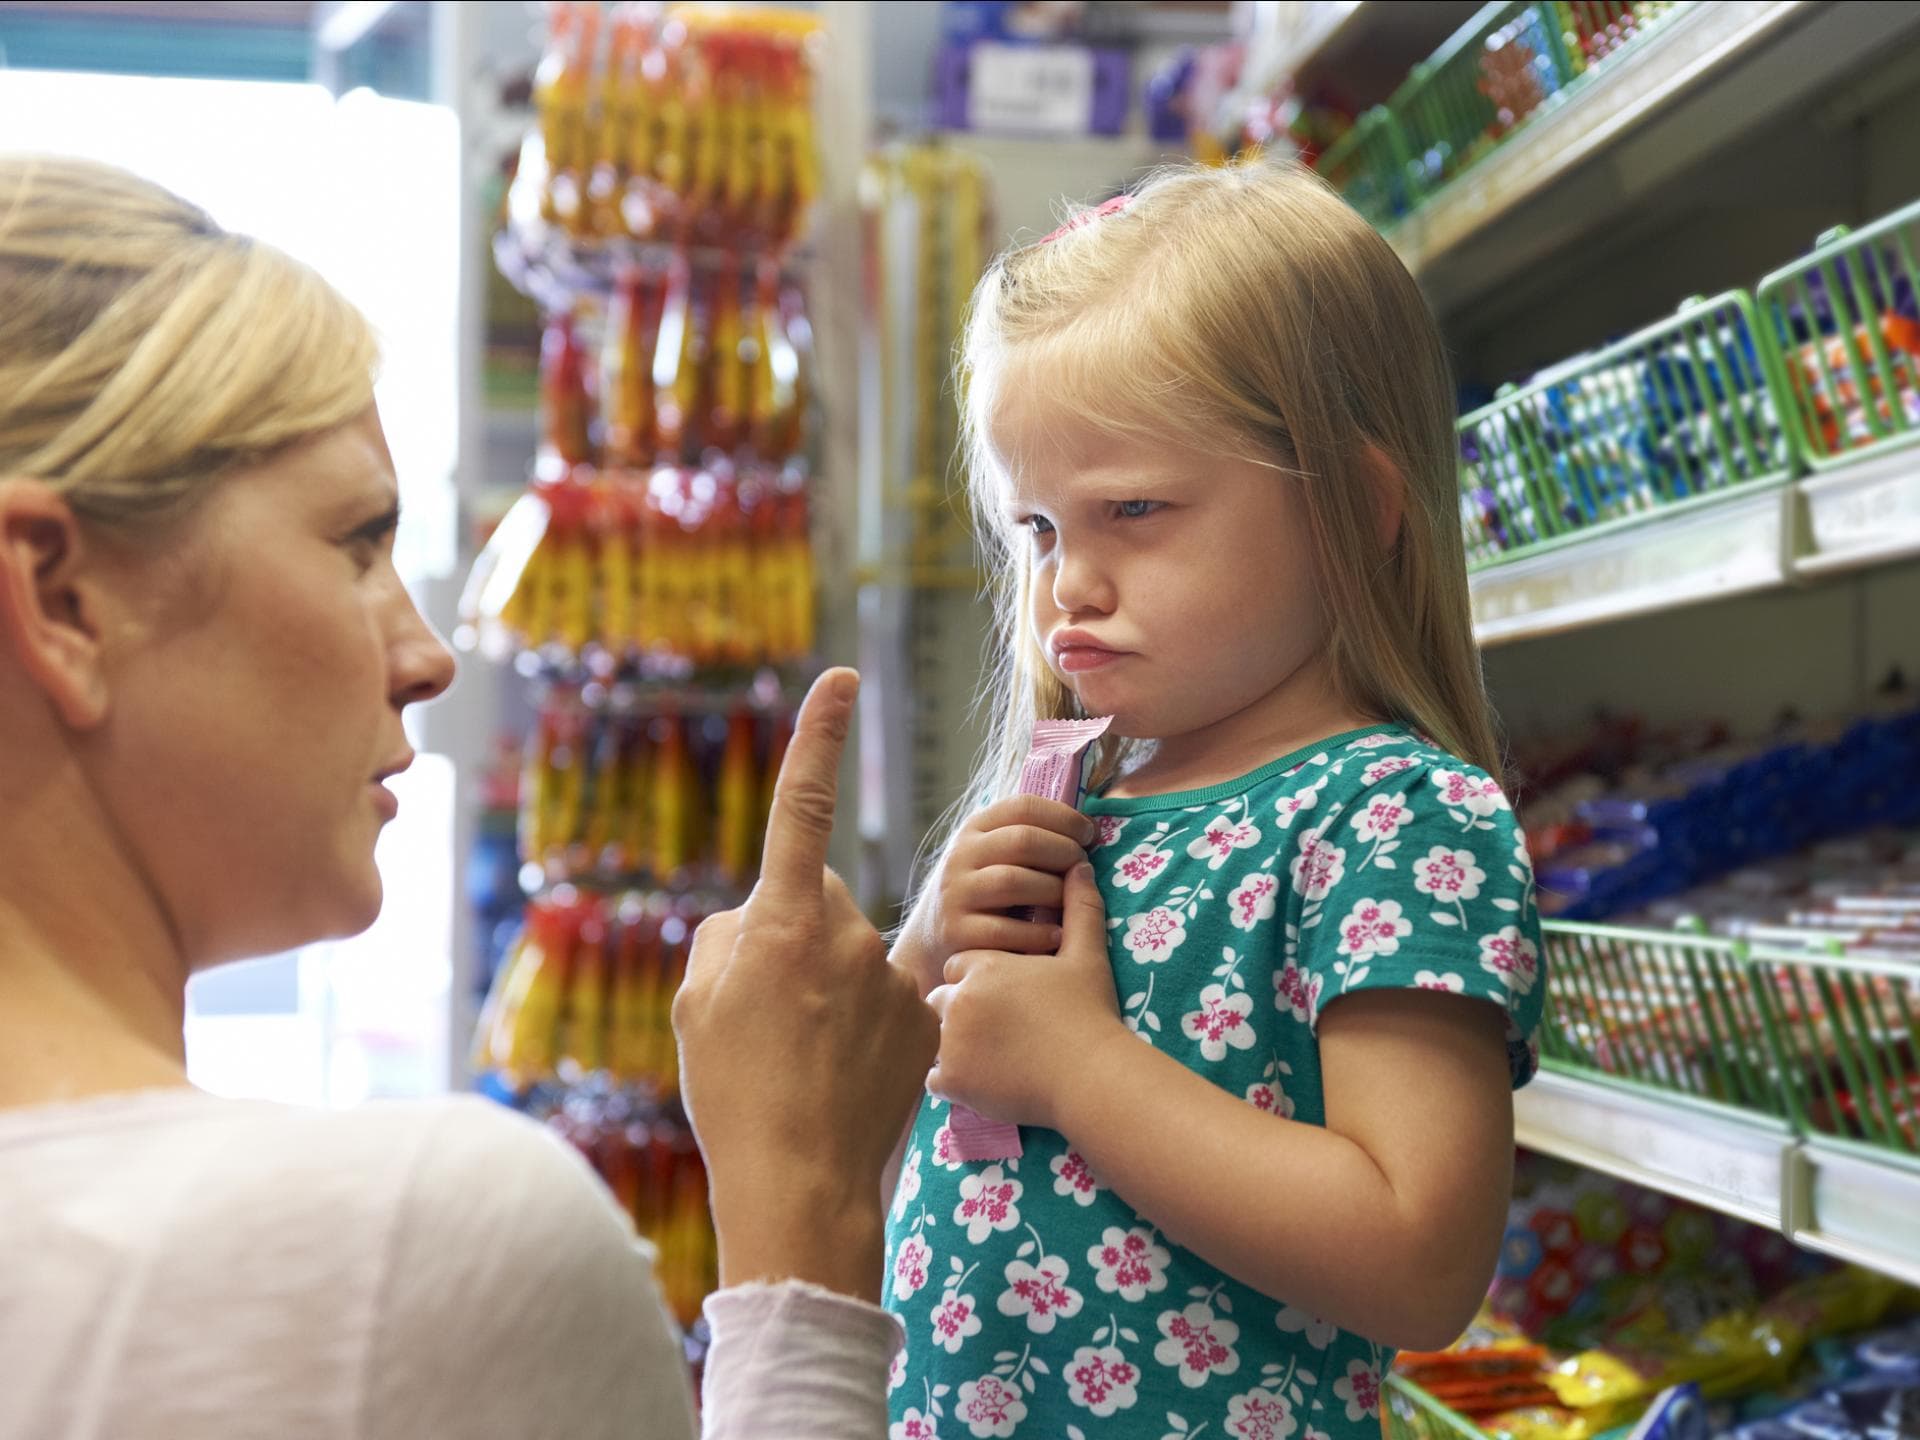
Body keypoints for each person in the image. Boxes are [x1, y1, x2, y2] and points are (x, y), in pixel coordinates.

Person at [0, 153, 936, 1439]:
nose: (429, 657)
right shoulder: (400, 1243)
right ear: (60, 600)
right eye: (357, 543)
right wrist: (808, 1212)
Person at [882, 159, 1546, 1439]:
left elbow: (1421, 1256)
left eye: (1132, 509)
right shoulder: (1083, 808)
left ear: (1354, 509)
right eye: (1037, 528)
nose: (1068, 585)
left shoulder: (1395, 817)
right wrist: (922, 955)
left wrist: (1078, 1071)